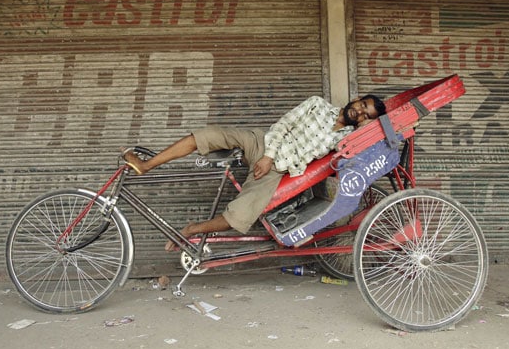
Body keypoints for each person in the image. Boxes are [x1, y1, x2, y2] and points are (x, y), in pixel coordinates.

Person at [122, 94, 386, 251]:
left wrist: (390, 124)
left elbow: (375, 139)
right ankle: (146, 165)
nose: (360, 112)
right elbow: (284, 124)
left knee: (239, 217)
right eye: (362, 105)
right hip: (263, 143)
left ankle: (191, 229)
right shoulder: (318, 104)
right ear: (356, 99)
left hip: (278, 170)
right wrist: (268, 156)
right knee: (208, 135)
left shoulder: (348, 137)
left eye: (366, 115)